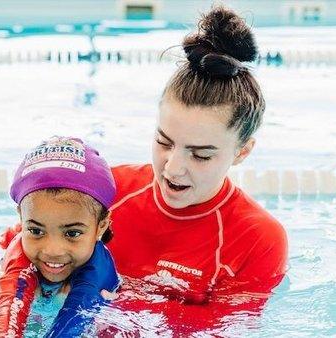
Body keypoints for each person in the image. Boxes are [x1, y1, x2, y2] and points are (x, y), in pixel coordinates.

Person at [103, 5, 288, 333]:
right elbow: (12, 247)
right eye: (164, 142)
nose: (172, 168)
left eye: (201, 156)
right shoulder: (109, 192)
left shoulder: (258, 240)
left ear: (242, 152)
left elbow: (226, 328)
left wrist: (112, 308)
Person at [0, 136, 120, 337]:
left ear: (101, 225)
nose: (52, 251)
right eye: (36, 231)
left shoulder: (112, 293)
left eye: (72, 233)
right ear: (21, 218)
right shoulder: (3, 259)